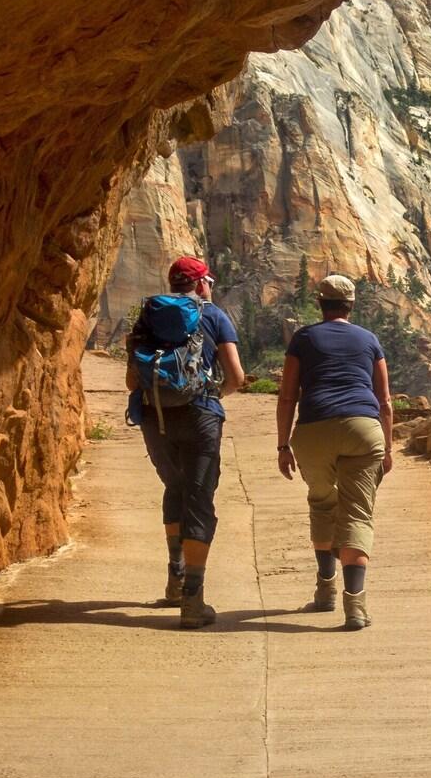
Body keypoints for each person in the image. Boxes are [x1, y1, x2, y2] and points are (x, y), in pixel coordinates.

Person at [125, 255, 246, 628]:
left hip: (155, 417)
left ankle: (174, 580)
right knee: (199, 500)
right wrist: (213, 397)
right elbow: (236, 376)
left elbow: (133, 382)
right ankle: (193, 600)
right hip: (200, 416)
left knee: (174, 488)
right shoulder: (213, 315)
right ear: (201, 283)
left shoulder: (149, 316)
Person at [275, 273, 394, 630]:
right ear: (351, 304)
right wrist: (387, 447)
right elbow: (385, 400)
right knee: (357, 514)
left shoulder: (304, 338)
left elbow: (287, 396)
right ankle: (354, 606)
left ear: (320, 304)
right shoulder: (369, 340)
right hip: (362, 429)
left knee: (323, 502)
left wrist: (283, 445)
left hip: (313, 430)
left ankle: (325, 590)